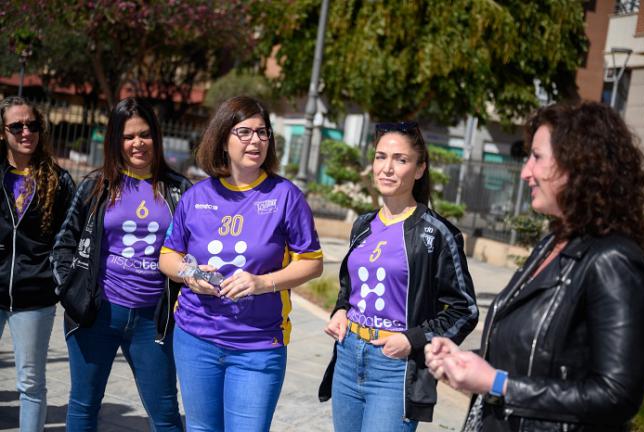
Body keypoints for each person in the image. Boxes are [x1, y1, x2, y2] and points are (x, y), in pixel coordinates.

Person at [425, 102, 644, 432]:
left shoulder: (613, 260)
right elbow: (531, 357)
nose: (525, 171)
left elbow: (617, 395)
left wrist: (498, 383)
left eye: (537, 157)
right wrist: (465, 362)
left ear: (579, 165)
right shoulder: (552, 242)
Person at [158, 95, 323, 432]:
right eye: (244, 132)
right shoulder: (196, 196)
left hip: (258, 346)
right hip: (195, 339)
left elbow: (312, 263)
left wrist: (262, 283)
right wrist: (191, 275)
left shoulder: (285, 196)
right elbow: (167, 256)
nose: (256, 141)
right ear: (223, 139)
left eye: (263, 133)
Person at [318, 121, 479, 431]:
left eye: (400, 160)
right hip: (348, 356)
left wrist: (412, 339)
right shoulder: (363, 224)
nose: (387, 168)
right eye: (380, 157)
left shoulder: (437, 233)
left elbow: (465, 310)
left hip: (395, 368)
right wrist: (340, 309)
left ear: (419, 169)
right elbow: (349, 285)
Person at [51, 97, 191, 431]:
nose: (137, 143)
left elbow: (193, 250)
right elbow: (63, 246)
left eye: (144, 134)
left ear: (156, 136)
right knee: (84, 407)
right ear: (116, 140)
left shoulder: (179, 190)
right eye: (128, 136)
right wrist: (70, 293)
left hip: (152, 321)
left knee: (166, 414)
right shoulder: (96, 185)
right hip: (97, 315)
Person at [0, 96, 75, 432]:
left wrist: (55, 277)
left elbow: (69, 238)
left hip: (35, 294)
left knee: (30, 382)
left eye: (32, 125)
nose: (26, 131)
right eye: (17, 126)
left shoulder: (58, 180)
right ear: (3, 132)